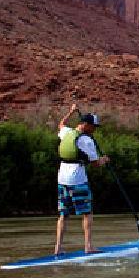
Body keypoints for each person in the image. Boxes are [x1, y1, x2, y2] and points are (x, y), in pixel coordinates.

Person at [56, 103, 110, 255]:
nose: (94, 129)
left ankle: (58, 248)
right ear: (85, 125)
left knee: (63, 214)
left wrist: (71, 112)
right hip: (77, 179)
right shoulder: (87, 141)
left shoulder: (67, 132)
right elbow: (95, 164)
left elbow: (62, 124)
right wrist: (104, 160)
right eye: (93, 126)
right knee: (87, 212)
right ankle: (88, 247)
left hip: (62, 178)